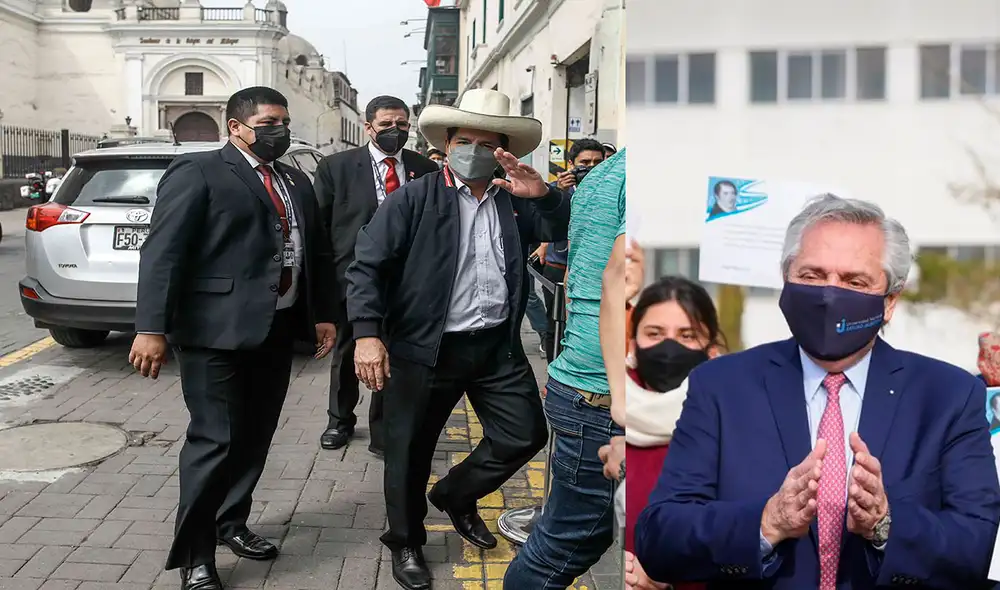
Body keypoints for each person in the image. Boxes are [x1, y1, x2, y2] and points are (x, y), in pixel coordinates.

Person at [636, 194, 1000, 589]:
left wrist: (885, 525)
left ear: (889, 302)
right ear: (786, 280)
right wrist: (766, 523)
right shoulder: (722, 386)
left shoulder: (948, 396)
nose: (829, 295)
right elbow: (660, 537)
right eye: (811, 276)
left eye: (853, 281)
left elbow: (973, 547)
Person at [346, 88, 569, 590]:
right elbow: (367, 268)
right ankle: (404, 540)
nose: (473, 150)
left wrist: (548, 195)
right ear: (446, 145)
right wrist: (366, 335)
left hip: (495, 347)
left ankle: (456, 494)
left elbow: (563, 226)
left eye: (486, 143)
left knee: (525, 433)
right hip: (425, 350)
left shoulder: (513, 200)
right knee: (407, 451)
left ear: (503, 151)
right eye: (464, 140)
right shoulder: (413, 199)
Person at [129, 86, 338, 590]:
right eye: (267, 123)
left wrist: (324, 314)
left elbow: (316, 249)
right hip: (212, 333)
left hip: (277, 329)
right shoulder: (198, 171)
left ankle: (231, 522)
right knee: (215, 441)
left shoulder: (294, 178)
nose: (279, 131)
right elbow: (163, 253)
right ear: (237, 127)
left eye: (283, 122)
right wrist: (150, 327)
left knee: (254, 436)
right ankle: (196, 555)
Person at [504, 149, 627, 588]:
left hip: (587, 387)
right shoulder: (653, 171)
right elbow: (619, 278)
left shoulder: (607, 173)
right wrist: (626, 402)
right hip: (605, 396)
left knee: (569, 537)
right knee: (568, 544)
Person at [313, 95, 439, 456]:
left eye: (402, 125)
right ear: (368, 127)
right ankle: (340, 420)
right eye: (386, 125)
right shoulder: (336, 167)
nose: (394, 131)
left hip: (407, 283)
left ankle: (384, 431)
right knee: (350, 350)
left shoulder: (423, 169)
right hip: (354, 278)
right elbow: (321, 227)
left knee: (396, 356)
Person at [624, 276, 723, 590]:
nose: (670, 347)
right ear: (633, 344)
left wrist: (664, 574)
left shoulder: (733, 421)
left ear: (710, 348)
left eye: (687, 335)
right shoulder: (609, 409)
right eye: (655, 333)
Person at [535, 137, 607, 358]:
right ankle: (554, 375)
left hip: (594, 268)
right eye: (585, 162)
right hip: (559, 265)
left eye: (598, 162)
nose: (591, 167)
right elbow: (545, 224)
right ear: (572, 164)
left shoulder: (609, 191)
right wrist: (561, 194)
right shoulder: (554, 191)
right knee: (556, 322)